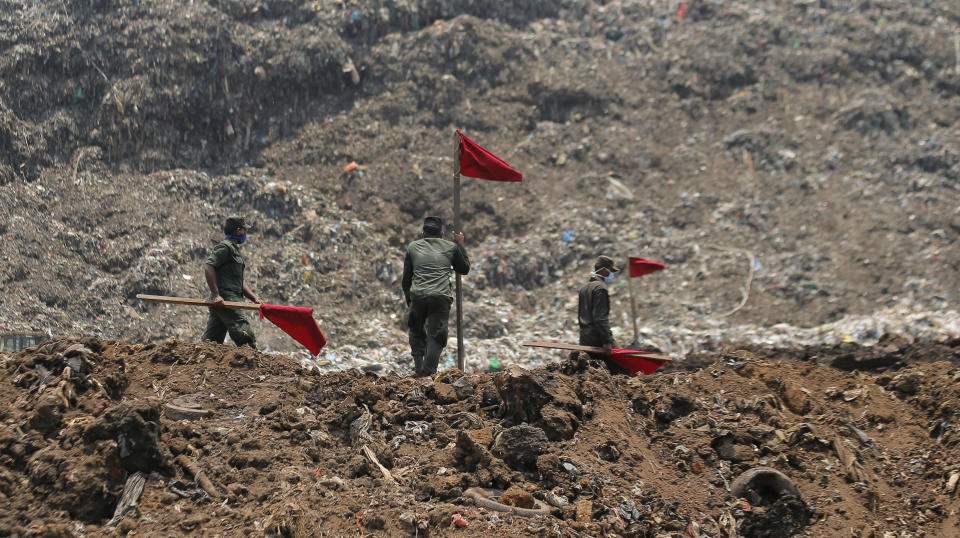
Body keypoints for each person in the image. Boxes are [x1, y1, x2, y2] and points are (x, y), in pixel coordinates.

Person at [401, 216, 470, 377]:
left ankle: (418, 369)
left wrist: (409, 301)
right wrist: (460, 246)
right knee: (436, 335)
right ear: (441, 234)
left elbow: (406, 279)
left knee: (416, 330)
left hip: (418, 295)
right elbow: (464, 269)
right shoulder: (450, 247)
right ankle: (428, 373)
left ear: (423, 234)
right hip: (440, 297)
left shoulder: (412, 247)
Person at [201, 217, 261, 348]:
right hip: (227, 300)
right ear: (238, 230)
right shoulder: (225, 247)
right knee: (245, 334)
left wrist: (253, 298)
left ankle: (199, 361)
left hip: (225, 301)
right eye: (244, 229)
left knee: (211, 342)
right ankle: (253, 364)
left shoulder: (234, 250)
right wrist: (216, 295)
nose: (245, 233)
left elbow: (239, 281)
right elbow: (208, 266)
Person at [577, 255, 630, 375]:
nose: (612, 275)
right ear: (604, 270)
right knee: (623, 368)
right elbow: (600, 318)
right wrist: (606, 342)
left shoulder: (584, 288)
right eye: (611, 271)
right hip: (598, 339)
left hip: (585, 337)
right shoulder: (600, 288)